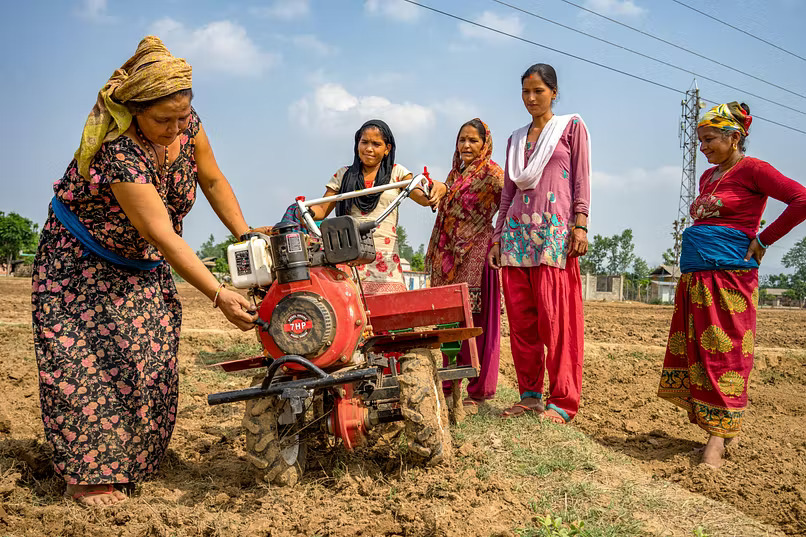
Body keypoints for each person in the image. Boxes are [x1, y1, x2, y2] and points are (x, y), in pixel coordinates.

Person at [32, 36, 258, 507]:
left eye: (182, 117)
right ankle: (88, 477)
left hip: (141, 263)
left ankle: (130, 463)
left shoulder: (187, 125)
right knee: (87, 365)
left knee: (150, 363)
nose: (175, 129)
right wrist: (218, 294)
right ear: (135, 111)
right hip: (81, 266)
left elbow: (211, 178)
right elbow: (161, 233)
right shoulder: (118, 151)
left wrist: (246, 235)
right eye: (162, 120)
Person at [657, 102, 806, 468]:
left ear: (734, 137)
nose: (703, 147)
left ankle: (717, 441)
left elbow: (801, 199)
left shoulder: (754, 169)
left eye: (709, 139)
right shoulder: (709, 177)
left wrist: (764, 239)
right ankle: (720, 431)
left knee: (724, 354)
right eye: (700, 140)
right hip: (696, 279)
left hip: (729, 280)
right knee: (700, 355)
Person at [488, 63, 591, 424]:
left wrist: (581, 225)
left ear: (554, 93)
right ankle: (529, 396)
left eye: (538, 91)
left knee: (556, 323)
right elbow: (507, 193)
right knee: (523, 325)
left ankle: (562, 400)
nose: (531, 98)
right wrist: (498, 237)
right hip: (516, 238)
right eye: (525, 92)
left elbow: (581, 179)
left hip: (553, 238)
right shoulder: (516, 139)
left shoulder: (571, 127)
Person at [304, 119, 446, 294]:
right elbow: (321, 210)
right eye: (364, 142)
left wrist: (437, 189)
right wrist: (305, 211)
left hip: (386, 261)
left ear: (387, 149)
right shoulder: (343, 175)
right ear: (357, 144)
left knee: (390, 306)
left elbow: (421, 197)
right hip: (351, 257)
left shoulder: (398, 173)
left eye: (376, 144)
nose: (369, 149)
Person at [426, 119, 504, 406]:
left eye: (473, 140)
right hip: (447, 256)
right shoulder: (454, 174)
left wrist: (499, 242)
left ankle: (478, 389)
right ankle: (449, 383)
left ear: (485, 144)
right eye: (462, 140)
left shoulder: (494, 175)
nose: (466, 146)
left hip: (477, 253)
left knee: (476, 321)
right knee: (450, 319)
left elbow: (509, 205)